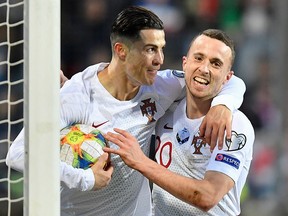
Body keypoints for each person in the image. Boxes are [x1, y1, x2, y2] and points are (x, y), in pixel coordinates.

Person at [6, 6, 246, 216]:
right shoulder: (75, 96)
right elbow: (17, 154)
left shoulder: (160, 85)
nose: (160, 59)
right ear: (121, 51)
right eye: (150, 49)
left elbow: (223, 78)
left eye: (162, 49)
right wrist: (86, 179)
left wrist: (223, 104)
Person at [104, 29, 254, 216]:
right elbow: (117, 98)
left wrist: (141, 162)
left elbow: (208, 196)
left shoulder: (235, 125)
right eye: (198, 58)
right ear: (185, 63)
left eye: (215, 63)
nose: (204, 69)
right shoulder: (165, 107)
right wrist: (73, 89)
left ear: (228, 77)